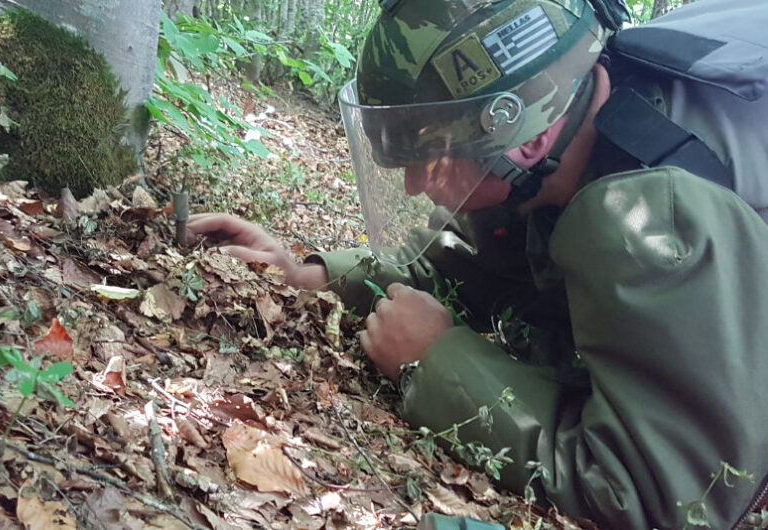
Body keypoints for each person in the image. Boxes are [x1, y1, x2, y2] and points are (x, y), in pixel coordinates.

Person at [189, 0, 768, 528]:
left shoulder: (645, 220)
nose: (416, 183)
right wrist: (310, 277)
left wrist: (435, 360)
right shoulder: (559, 128)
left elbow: (663, 498)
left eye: (432, 155)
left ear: (529, 143)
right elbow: (464, 261)